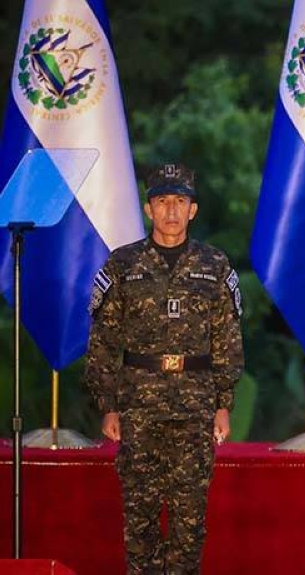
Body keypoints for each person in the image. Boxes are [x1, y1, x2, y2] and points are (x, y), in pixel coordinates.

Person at [85, 163, 244, 574]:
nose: (171, 210)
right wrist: (109, 404)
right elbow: (103, 340)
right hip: (139, 407)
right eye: (162, 201)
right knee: (140, 518)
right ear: (148, 208)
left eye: (180, 201)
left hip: (194, 407)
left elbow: (227, 339)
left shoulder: (215, 265)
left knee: (190, 521)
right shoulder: (122, 266)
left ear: (192, 210)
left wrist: (223, 402)